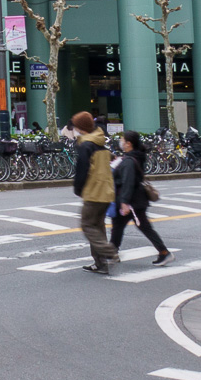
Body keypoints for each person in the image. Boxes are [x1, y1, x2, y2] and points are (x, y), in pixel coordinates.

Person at [108, 130, 171, 267]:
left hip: (132, 202)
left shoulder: (129, 160)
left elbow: (128, 182)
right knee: (119, 226)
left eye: (122, 140)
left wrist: (124, 202)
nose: (121, 142)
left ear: (128, 144)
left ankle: (164, 252)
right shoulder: (132, 157)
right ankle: (112, 253)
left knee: (142, 227)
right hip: (134, 200)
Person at [70, 111, 118, 274]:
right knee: (98, 227)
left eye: (76, 126)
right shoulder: (100, 142)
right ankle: (100, 264)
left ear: (81, 127)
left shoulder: (86, 145)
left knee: (88, 225)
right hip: (106, 191)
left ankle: (109, 252)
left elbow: (82, 170)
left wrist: (78, 188)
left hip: (94, 192)